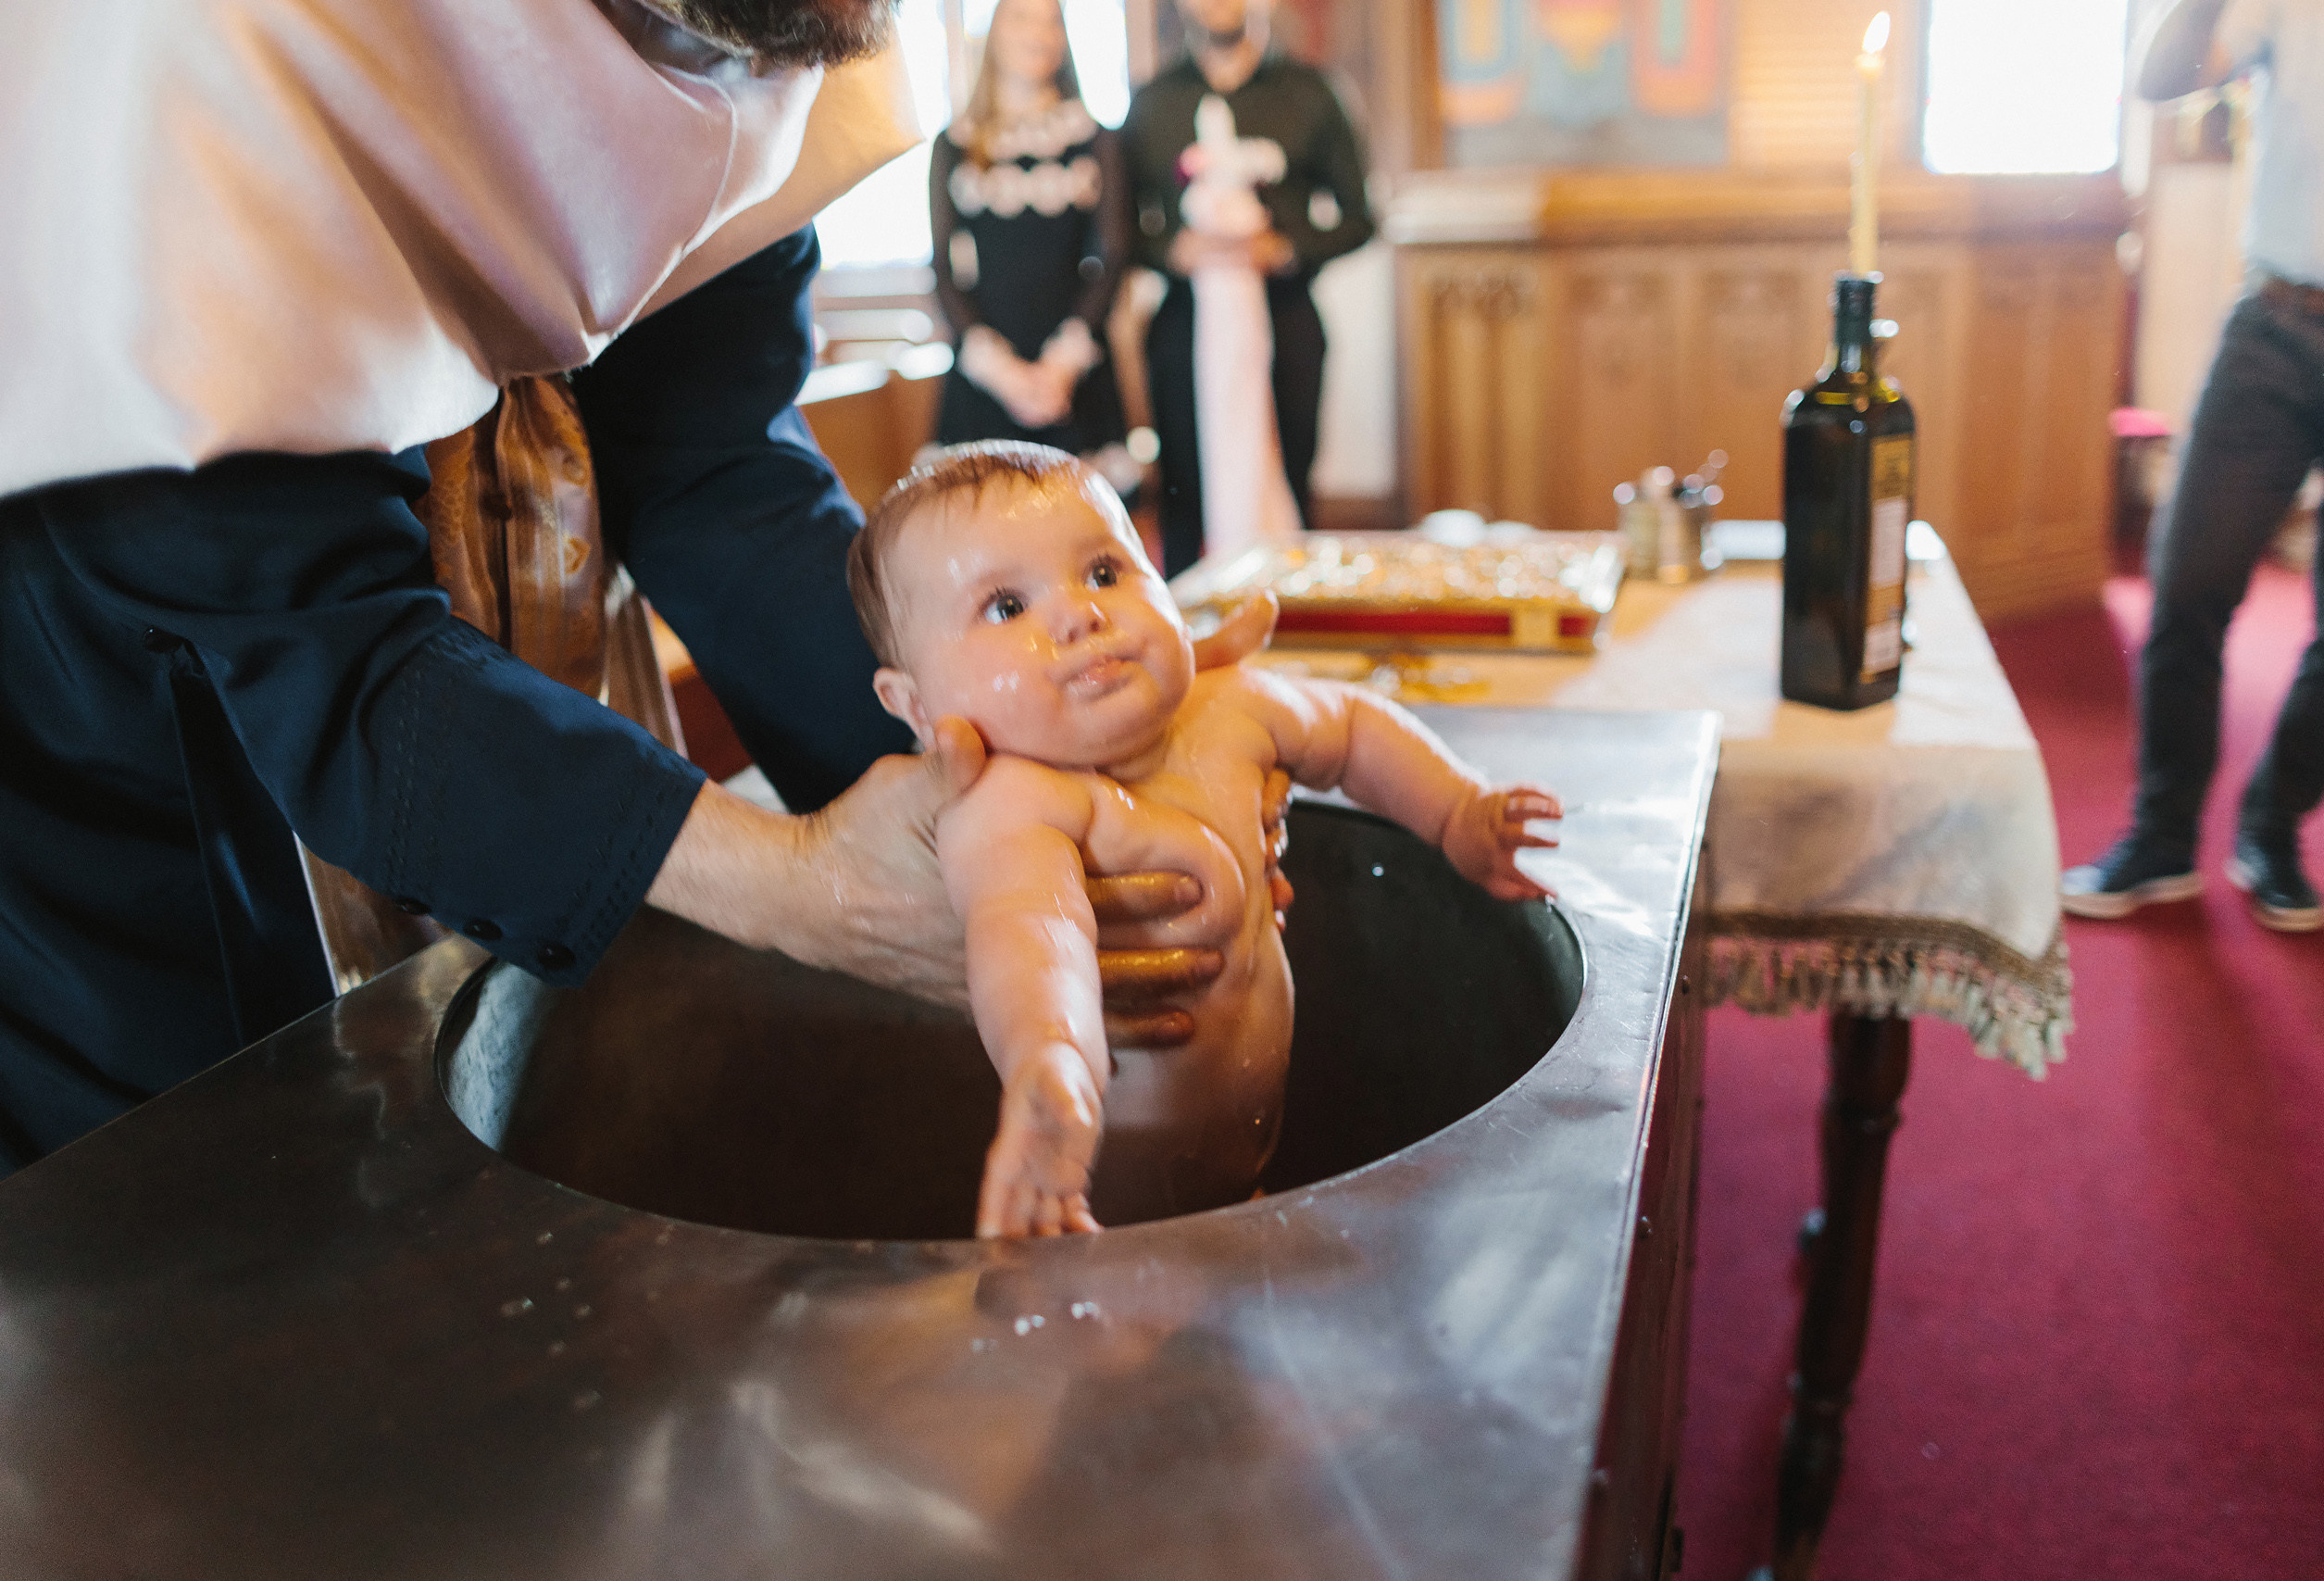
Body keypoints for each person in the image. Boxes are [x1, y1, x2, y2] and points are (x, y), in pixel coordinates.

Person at [0, 0, 1256, 1179]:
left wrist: (1025, 753)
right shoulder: (178, 51)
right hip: (150, 846)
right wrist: (792, 882)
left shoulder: (743, 26)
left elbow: (710, 462)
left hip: (519, 741)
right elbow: (326, 656)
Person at [846, 443, 1562, 1236]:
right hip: (1112, 1220)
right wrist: (1051, 1062)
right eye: (1007, 606)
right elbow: (1030, 935)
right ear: (914, 706)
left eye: (1104, 571)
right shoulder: (1013, 802)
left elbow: (1353, 728)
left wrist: (1459, 811)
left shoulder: (1229, 707)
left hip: (1248, 1166)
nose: (1081, 614)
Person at [2061, 0, 2324, 933]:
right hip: (2276, 327)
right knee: (2188, 584)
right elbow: (2163, 82)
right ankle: (2162, 839)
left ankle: (2272, 828)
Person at [1119, 0, 1374, 572]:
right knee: (1183, 494)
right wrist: (1172, 250)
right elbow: (1118, 226)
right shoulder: (1154, 100)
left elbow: (1360, 217)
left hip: (1286, 322)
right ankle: (1186, 616)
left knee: (1289, 479)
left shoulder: (1311, 91)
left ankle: (1290, 608)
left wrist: (1284, 248)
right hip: (1184, 326)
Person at [928, 0, 1134, 489]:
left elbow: (1113, 256)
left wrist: (1062, 364)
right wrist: (1000, 371)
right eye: (1022, 18)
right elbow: (942, 267)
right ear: (994, 33)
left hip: (1075, 369)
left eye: (1051, 22)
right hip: (987, 374)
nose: (1038, 34)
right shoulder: (955, 144)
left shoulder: (1094, 140)